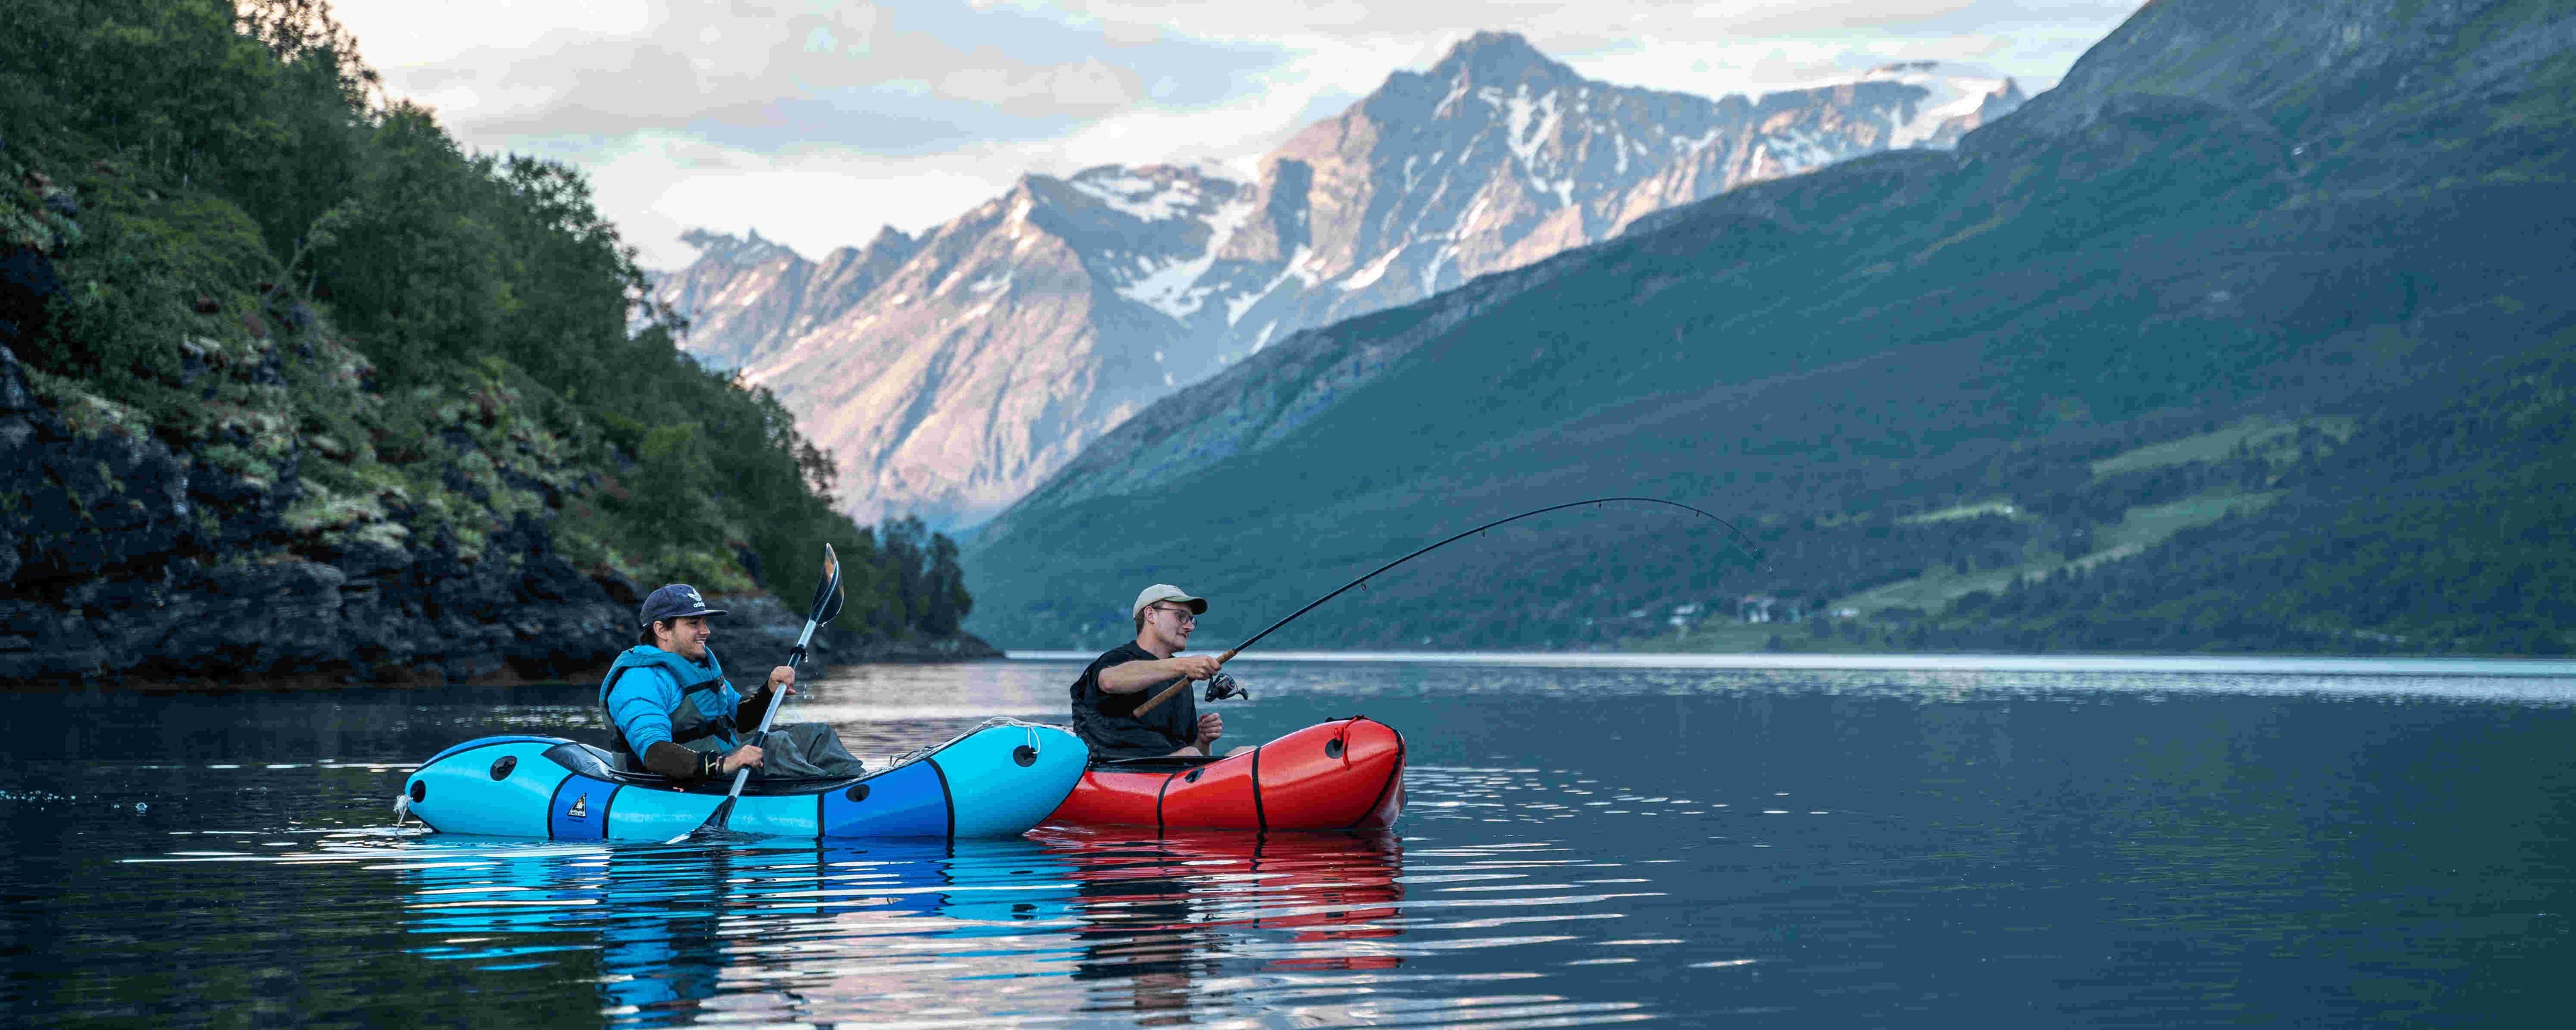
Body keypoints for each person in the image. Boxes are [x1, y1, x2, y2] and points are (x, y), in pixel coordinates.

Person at [599, 583, 867, 781]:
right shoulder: (639, 681)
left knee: (816, 734)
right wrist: (724, 763)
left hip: (723, 765)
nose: (706, 631)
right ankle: (828, 796)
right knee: (776, 747)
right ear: (661, 630)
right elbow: (655, 754)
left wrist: (768, 691)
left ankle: (856, 783)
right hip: (676, 782)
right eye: (694, 623)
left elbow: (740, 720)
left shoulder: (697, 666)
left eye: (704, 622)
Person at [1070, 584, 1226, 759]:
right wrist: (1184, 665)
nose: (1189, 626)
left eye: (1191, 619)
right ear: (1150, 615)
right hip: (1118, 775)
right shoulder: (1113, 661)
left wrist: (1204, 741)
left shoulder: (1182, 678)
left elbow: (1195, 755)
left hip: (1173, 775)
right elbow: (1110, 681)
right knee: (1189, 754)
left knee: (1244, 751)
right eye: (1181, 616)